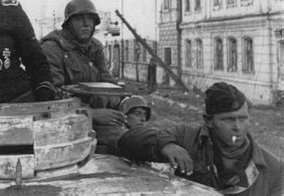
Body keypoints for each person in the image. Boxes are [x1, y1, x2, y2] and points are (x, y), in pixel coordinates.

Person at [117, 82, 283, 195]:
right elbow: (127, 141)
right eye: (228, 119)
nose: (238, 127)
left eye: (243, 118)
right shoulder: (187, 138)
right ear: (208, 120)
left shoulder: (271, 168)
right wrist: (165, 145)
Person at [40, 0, 127, 152]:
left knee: (136, 133)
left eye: (90, 19)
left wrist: (108, 101)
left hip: (97, 119)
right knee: (125, 142)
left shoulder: (94, 48)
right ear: (68, 24)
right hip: (66, 123)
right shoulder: (52, 48)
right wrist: (91, 113)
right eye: (80, 19)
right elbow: (51, 96)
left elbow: (111, 86)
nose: (86, 24)